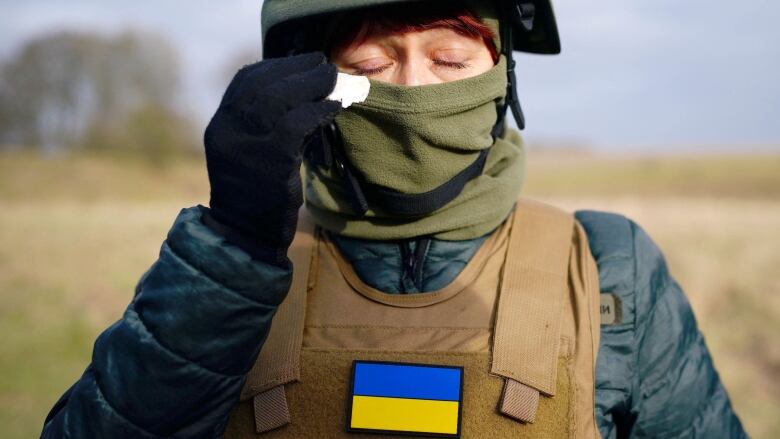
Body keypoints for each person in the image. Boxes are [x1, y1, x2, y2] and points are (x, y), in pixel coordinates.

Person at [41, 1, 748, 438]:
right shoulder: (242, 269)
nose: (411, 91)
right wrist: (232, 251)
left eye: (449, 57)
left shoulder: (602, 263)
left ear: (504, 76)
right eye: (371, 62)